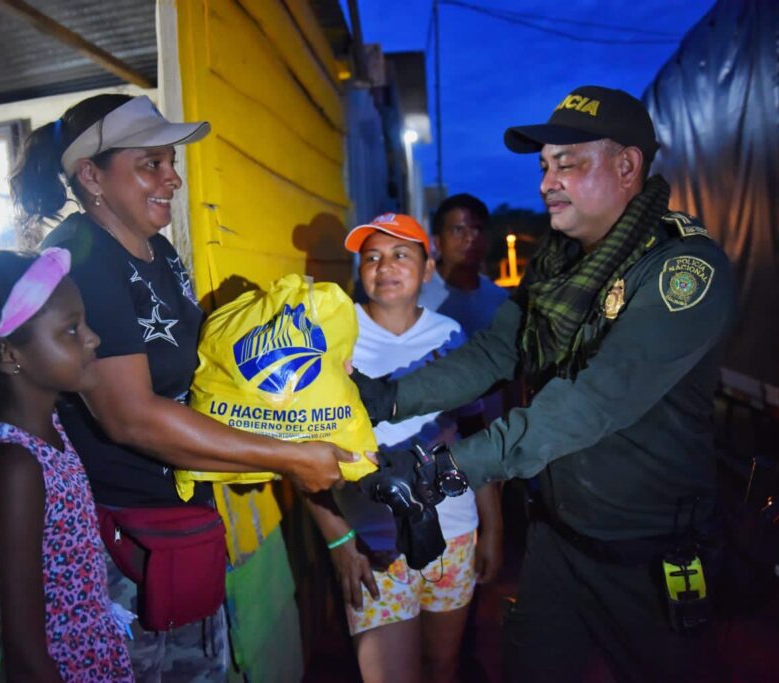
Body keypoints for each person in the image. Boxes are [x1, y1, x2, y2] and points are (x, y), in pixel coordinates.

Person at [353, 86, 735, 681]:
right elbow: (492, 354)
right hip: (559, 541)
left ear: (627, 166)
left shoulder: (682, 270)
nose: (546, 182)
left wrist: (440, 471)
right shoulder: (559, 261)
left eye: (569, 163)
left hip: (646, 552)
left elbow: (588, 405)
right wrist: (383, 397)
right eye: (544, 166)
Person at [9, 94, 354, 681]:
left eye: (171, 161)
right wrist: (288, 457)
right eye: (151, 164)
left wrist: (305, 368)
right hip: (118, 540)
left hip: (180, 517)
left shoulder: (159, 250)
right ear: (91, 175)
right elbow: (131, 418)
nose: (172, 177)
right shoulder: (80, 258)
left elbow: (201, 366)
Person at [305, 214, 503, 683]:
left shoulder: (450, 334)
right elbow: (301, 448)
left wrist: (493, 526)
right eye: (371, 257)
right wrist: (338, 540)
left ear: (427, 269)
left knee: (442, 666)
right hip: (373, 544)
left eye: (400, 255)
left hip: (454, 534)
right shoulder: (332, 333)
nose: (384, 266)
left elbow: (475, 434)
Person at [0, 249, 133, 682]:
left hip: (96, 652)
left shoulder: (52, 428)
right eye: (71, 330)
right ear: (10, 353)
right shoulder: (16, 465)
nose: (93, 338)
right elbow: (24, 645)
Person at [418, 193, 507, 338]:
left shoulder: (499, 300)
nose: (470, 238)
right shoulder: (415, 296)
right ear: (437, 242)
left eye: (477, 229)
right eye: (458, 230)